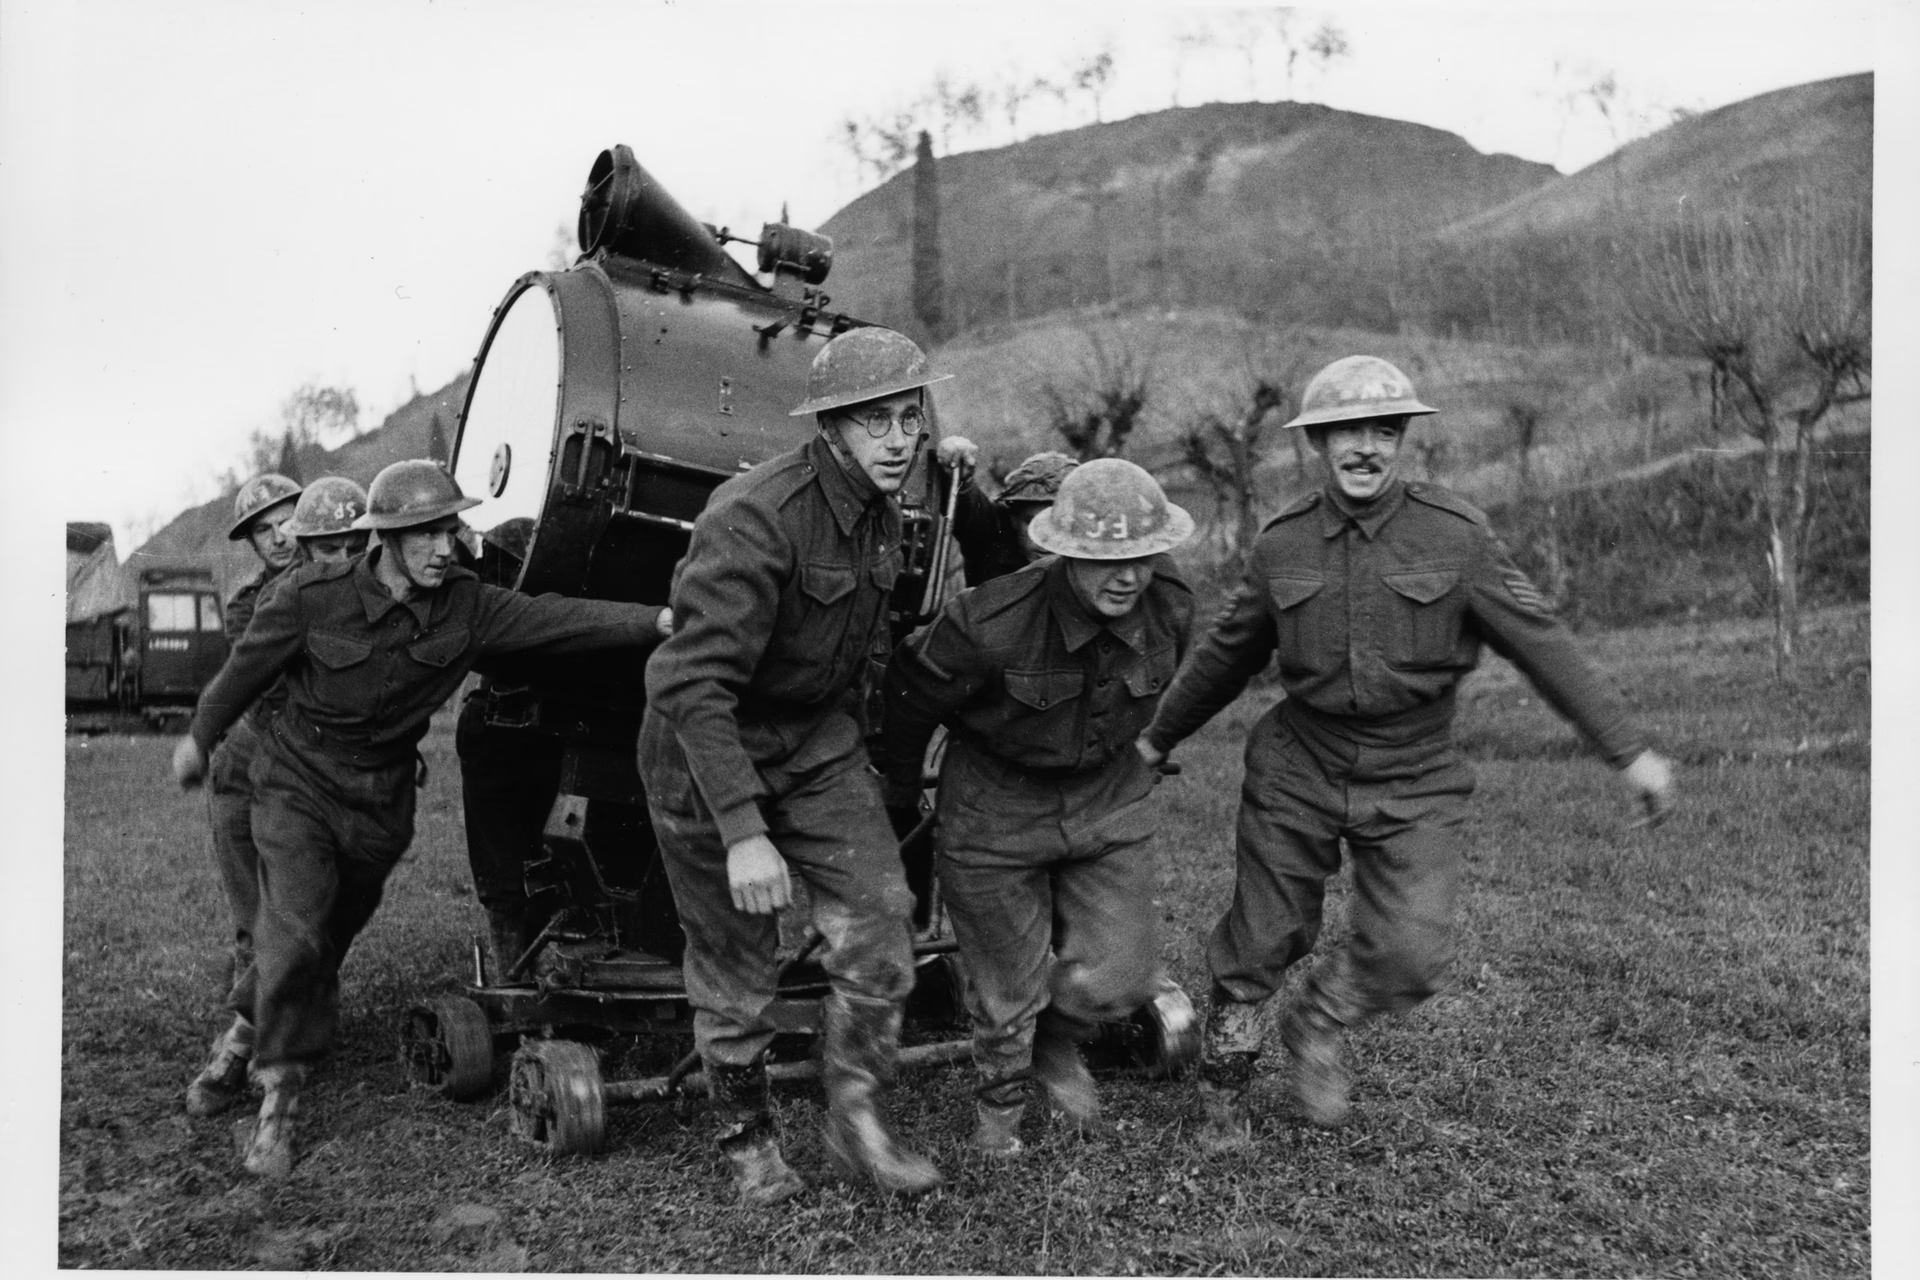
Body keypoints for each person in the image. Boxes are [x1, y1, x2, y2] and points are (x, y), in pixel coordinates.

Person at [1136, 355, 1678, 1148]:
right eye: (1346, 431)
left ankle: (1318, 1021)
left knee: (1409, 956)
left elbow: (1542, 643)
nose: (1365, 448)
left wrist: (1628, 753)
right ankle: (1223, 1092)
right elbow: (1225, 655)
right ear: (1317, 443)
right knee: (1261, 936)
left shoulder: (1456, 537)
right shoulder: (1282, 545)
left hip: (1416, 770)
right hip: (1300, 763)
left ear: (1403, 439)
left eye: (1383, 430)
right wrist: (1156, 737)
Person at [171, 459, 671, 1178]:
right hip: (297, 786)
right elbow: (243, 671)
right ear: (386, 538)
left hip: (379, 807)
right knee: (295, 928)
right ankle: (276, 1102)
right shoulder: (310, 595)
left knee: (322, 938)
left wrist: (656, 619)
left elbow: (556, 618)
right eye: (428, 533)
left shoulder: (465, 604)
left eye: (451, 530)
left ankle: (241, 1036)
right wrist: (198, 736)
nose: (447, 546)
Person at [639, 325, 950, 1205]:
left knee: (884, 919)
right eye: (876, 422)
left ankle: (856, 1118)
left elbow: (859, 656)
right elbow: (693, 684)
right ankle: (747, 1143)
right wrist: (744, 833)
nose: (900, 439)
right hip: (705, 749)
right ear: (832, 427)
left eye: (909, 417)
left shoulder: (884, 514)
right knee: (738, 962)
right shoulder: (757, 513)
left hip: (812, 744)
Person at [881, 458, 1196, 1159]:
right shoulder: (988, 621)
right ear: (1060, 550)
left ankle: (1056, 1041)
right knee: (1006, 985)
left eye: (1141, 558)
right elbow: (908, 694)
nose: (1127, 577)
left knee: (1123, 971)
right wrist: (899, 788)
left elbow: (1171, 672)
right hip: (997, 804)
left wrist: (1142, 741)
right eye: (1103, 560)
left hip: (1106, 797)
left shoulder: (1170, 598)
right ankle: (1000, 1119)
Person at [183, 473, 303, 1118]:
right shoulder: (247, 606)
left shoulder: (347, 576)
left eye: (289, 519)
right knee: (250, 915)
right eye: (265, 528)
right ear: (253, 542)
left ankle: (248, 1043)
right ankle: (257, 1040)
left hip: (311, 773)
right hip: (244, 765)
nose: (281, 536)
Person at [945, 448, 1080, 586]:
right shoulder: (992, 537)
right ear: (1013, 518)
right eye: (1033, 523)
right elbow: (971, 511)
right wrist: (961, 479)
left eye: (1057, 524)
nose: (1044, 540)